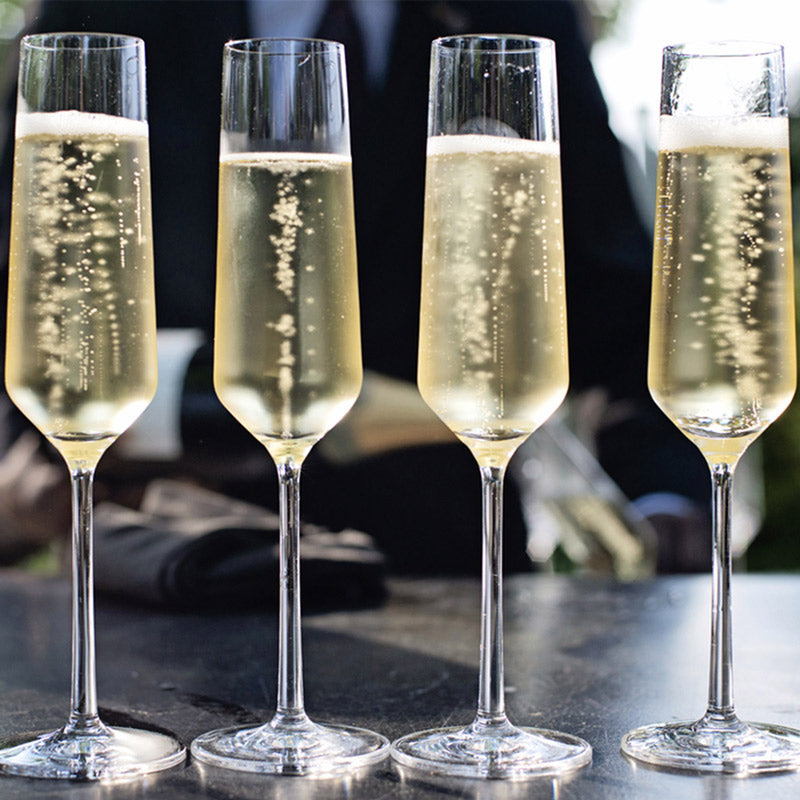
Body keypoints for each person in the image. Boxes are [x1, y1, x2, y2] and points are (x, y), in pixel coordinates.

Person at [0, 0, 710, 575]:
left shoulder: (521, 16)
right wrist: (15, 473)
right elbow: (30, 280)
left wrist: (663, 491)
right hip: (170, 571)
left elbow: (607, 294)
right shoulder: (95, 12)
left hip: (446, 581)